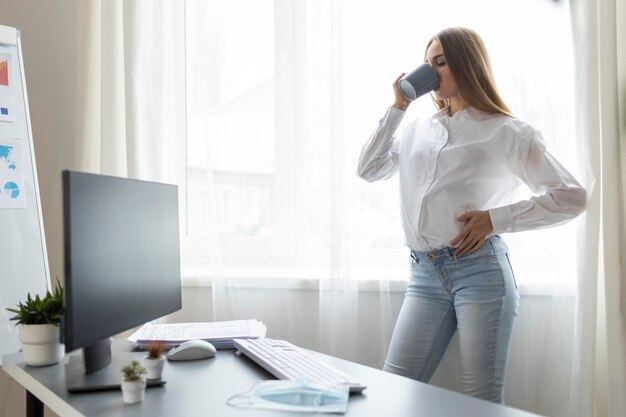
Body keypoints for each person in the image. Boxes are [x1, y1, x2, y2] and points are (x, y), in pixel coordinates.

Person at [356, 27, 586, 403]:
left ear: (467, 64)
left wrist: (496, 219)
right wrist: (398, 106)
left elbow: (572, 197)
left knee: (480, 399)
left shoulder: (508, 132)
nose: (430, 72)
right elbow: (368, 168)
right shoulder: (417, 129)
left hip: (480, 273)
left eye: (440, 63)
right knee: (393, 389)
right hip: (423, 274)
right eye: (426, 64)